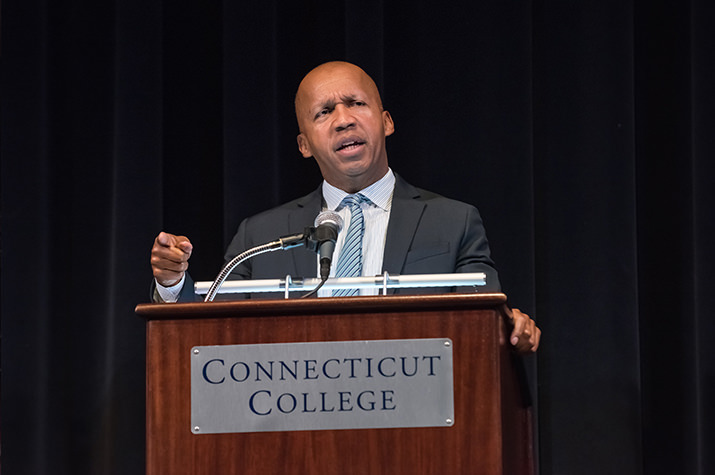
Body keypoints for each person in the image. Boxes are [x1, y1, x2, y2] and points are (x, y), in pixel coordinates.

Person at [150, 61, 540, 353]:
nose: (343, 120)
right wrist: (173, 285)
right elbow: (209, 339)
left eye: (356, 103)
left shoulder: (453, 223)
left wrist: (510, 328)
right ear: (304, 145)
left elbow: (488, 326)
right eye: (324, 112)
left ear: (386, 121)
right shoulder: (260, 236)